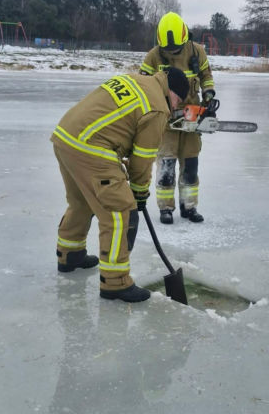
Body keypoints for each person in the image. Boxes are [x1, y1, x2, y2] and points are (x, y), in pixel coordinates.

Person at [52, 66, 190, 303]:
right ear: (173, 92)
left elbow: (118, 125)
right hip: (91, 147)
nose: (175, 108)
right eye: (178, 102)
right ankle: (115, 283)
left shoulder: (137, 81)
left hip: (66, 137)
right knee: (118, 211)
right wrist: (138, 192)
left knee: (81, 201)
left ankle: (69, 253)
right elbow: (144, 158)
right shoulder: (157, 107)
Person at [140, 12, 216, 224]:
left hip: (192, 116)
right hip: (166, 121)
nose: (172, 52)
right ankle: (166, 208)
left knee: (191, 165)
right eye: (168, 49)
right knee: (166, 165)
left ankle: (189, 206)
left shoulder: (197, 51)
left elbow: (206, 76)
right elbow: (144, 84)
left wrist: (209, 95)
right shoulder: (154, 56)